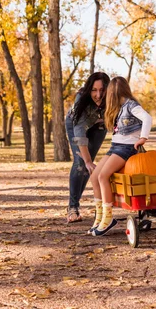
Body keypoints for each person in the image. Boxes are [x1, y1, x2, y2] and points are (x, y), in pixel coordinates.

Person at [89, 76, 153, 236]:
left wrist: (143, 138)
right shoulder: (119, 107)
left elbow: (147, 118)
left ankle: (108, 218)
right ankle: (99, 217)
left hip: (127, 148)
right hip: (115, 147)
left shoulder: (131, 105)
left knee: (103, 176)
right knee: (95, 176)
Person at [65, 72, 110, 223]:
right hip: (76, 126)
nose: (98, 95)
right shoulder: (81, 99)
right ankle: (73, 208)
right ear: (88, 90)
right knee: (81, 163)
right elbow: (79, 131)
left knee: (88, 167)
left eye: (102, 90)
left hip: (99, 126)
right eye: (94, 90)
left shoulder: (112, 98)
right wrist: (87, 160)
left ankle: (77, 205)